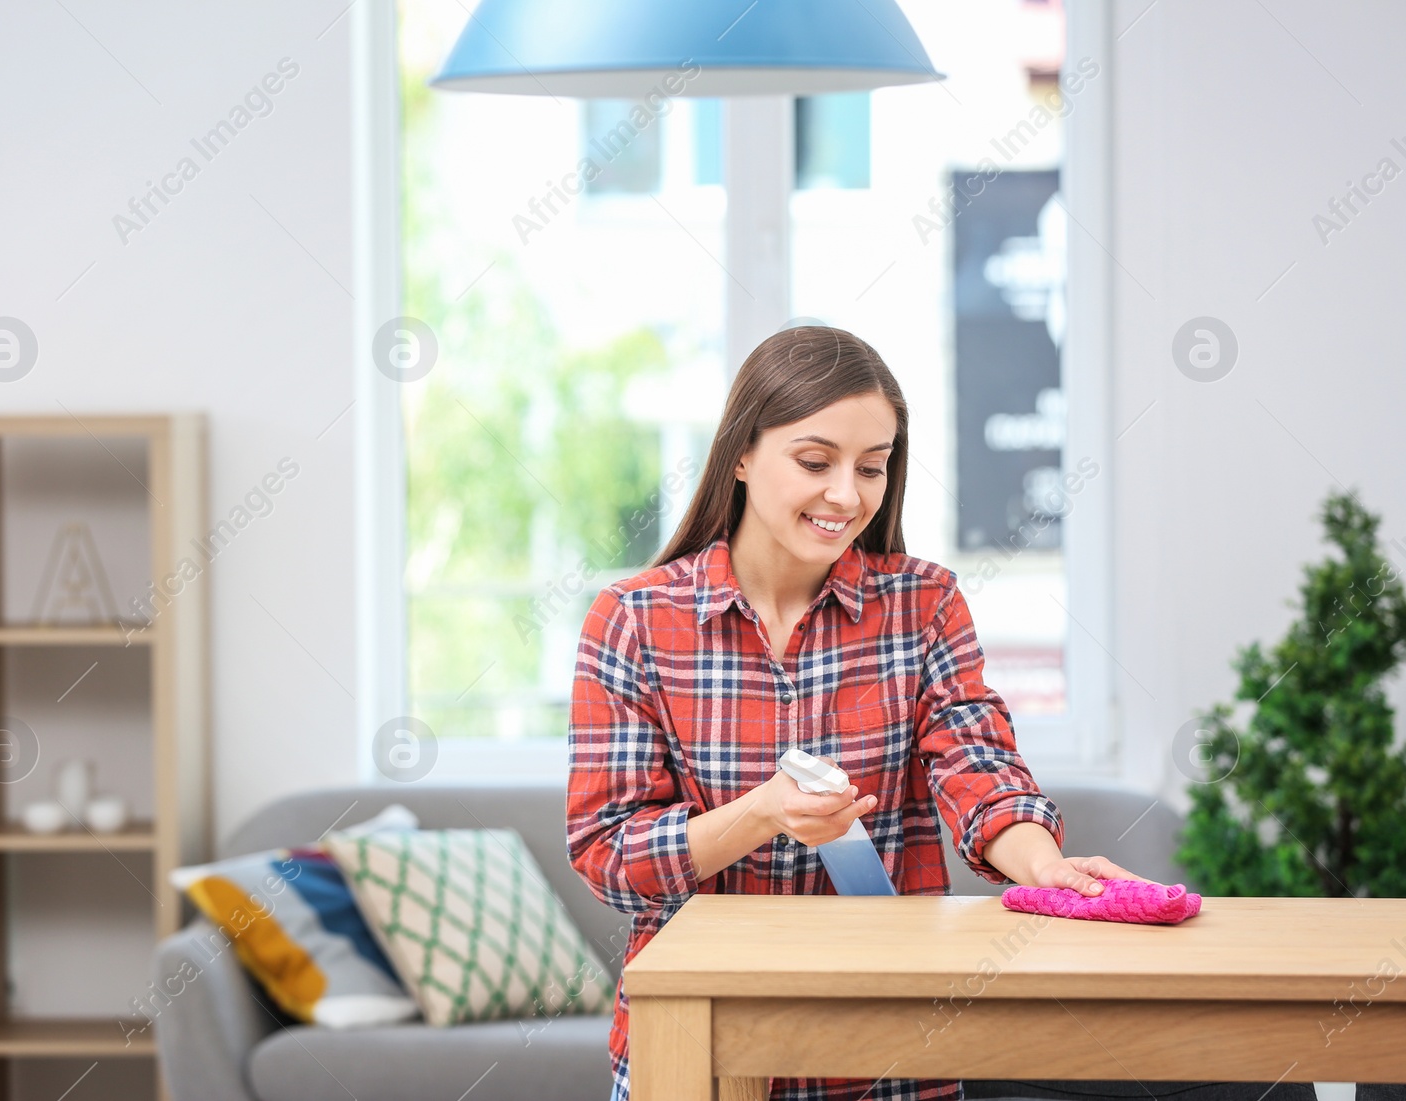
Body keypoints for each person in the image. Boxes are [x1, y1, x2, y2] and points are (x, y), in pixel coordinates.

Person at [565, 326, 1319, 1101]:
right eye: (815, 461)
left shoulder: (922, 605)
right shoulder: (635, 620)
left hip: (885, 1053)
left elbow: (978, 768)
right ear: (743, 456)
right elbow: (607, 857)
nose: (848, 496)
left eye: (873, 466)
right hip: (699, 1048)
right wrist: (762, 813)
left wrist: (1044, 865)